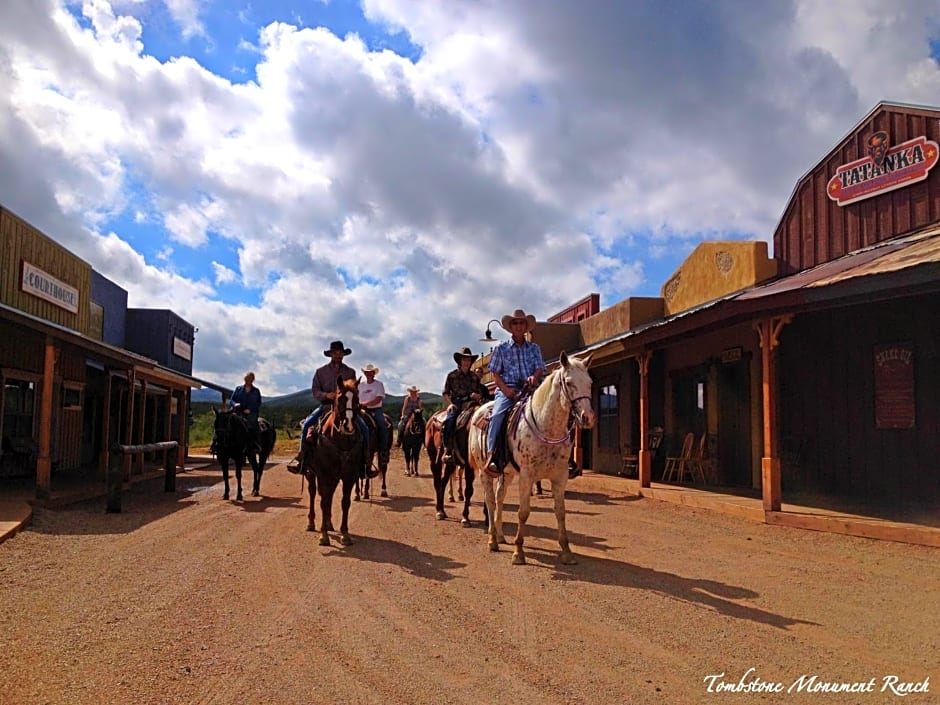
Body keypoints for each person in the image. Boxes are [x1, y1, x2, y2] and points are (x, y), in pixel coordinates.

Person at [288, 340, 371, 477]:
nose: (338, 355)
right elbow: (315, 391)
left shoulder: (350, 372)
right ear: (331, 354)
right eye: (335, 353)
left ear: (344, 355)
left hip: (346, 408)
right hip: (326, 406)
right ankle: (302, 459)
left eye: (340, 353)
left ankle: (366, 462)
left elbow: (354, 391)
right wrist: (327, 395)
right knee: (307, 424)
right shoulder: (321, 372)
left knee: (364, 429)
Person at [485, 309, 546, 476]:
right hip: (508, 389)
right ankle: (493, 455)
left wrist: (535, 376)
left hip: (531, 388)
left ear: (526, 327)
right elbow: (495, 374)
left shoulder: (534, 348)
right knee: (497, 415)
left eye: (522, 323)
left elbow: (540, 367)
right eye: (515, 323)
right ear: (510, 327)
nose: (519, 326)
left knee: (553, 409)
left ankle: (561, 456)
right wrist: (506, 391)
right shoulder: (501, 348)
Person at [441, 347, 484, 463]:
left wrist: (477, 396)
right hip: (457, 402)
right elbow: (445, 392)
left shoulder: (475, 377)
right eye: (464, 360)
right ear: (460, 361)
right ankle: (448, 450)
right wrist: (450, 404)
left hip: (472, 402)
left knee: (485, 418)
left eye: (469, 360)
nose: (467, 362)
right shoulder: (452, 376)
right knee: (449, 421)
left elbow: (480, 393)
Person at [229, 371, 262, 454]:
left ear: (252, 380)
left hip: (251, 412)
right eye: (247, 379)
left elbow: (258, 403)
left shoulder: (256, 391)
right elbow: (231, 400)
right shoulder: (238, 389)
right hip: (238, 411)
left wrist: (250, 409)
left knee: (252, 425)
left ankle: (255, 444)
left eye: (250, 379)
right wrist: (235, 404)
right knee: (226, 422)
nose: (248, 380)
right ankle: (220, 443)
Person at [360, 363, 390, 452]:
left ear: (374, 373)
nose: (368, 374)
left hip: (375, 409)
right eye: (366, 372)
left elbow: (379, 398)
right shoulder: (360, 385)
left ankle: (383, 449)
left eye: (370, 372)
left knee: (382, 424)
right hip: (361, 409)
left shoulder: (379, 384)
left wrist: (366, 404)